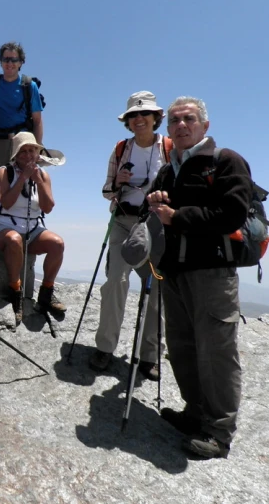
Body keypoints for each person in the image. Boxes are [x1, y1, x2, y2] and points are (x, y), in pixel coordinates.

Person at [146, 96, 252, 459]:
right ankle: (195, 414)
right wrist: (156, 201)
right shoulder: (168, 169)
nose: (180, 125)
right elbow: (160, 212)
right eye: (174, 121)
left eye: (188, 119)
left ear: (204, 126)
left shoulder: (225, 162)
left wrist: (177, 216)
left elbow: (232, 214)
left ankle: (219, 432)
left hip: (212, 271)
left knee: (216, 352)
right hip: (174, 271)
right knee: (182, 346)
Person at [90, 91, 171, 380]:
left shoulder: (169, 148)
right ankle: (105, 347)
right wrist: (116, 182)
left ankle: (150, 355)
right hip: (124, 221)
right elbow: (106, 191)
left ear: (155, 118)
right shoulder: (122, 148)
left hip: (155, 225)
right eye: (133, 115)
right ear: (128, 121)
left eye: (144, 114)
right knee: (115, 281)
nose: (139, 119)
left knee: (156, 287)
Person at [0, 132, 66, 326]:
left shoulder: (43, 175)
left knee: (57, 244)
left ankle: (46, 292)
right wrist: (23, 178)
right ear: (16, 155)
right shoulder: (5, 173)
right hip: (3, 227)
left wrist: (37, 180)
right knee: (14, 240)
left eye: (33, 150)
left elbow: (48, 207)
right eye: (24, 151)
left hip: (32, 228)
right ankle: (16, 291)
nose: (29, 155)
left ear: (38, 154)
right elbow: (6, 202)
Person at [0, 42, 44, 170]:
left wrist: (37, 149)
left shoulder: (29, 86)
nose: (9, 63)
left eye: (14, 59)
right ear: (0, 61)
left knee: (24, 185)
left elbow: (37, 121)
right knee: (0, 184)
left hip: (24, 143)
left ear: (21, 62)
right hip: (1, 142)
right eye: (6, 59)